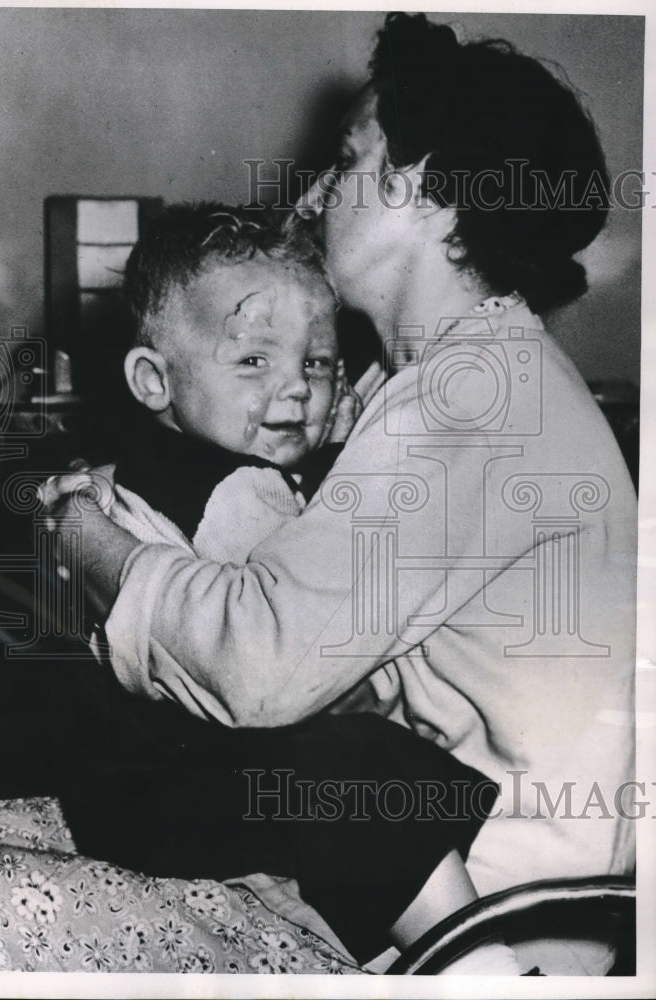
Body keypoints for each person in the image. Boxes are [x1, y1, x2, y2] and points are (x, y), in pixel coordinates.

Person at [46, 13, 636, 974]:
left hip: (487, 905)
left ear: (425, 191)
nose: (317, 189)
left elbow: (262, 664)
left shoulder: (471, 402)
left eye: (348, 157)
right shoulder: (472, 378)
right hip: (459, 855)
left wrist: (84, 537)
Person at [40, 200, 523, 972]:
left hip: (127, 793)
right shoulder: (242, 492)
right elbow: (295, 657)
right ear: (153, 380)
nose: (297, 389)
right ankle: (472, 962)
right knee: (364, 766)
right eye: (254, 362)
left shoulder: (125, 477)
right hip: (178, 791)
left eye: (318, 363)